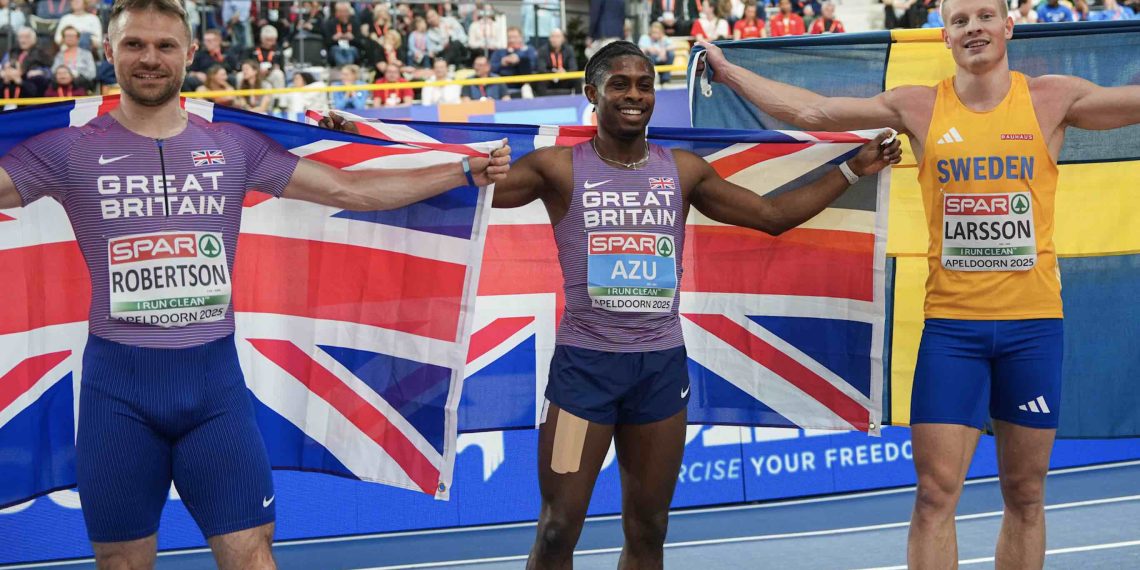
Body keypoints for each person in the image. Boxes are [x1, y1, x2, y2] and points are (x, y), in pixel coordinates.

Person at [331, 40, 899, 569]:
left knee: (649, 529)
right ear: (592, 94)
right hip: (584, 378)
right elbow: (462, 183)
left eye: (645, 85)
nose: (634, 96)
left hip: (658, 376)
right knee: (557, 530)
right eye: (620, 85)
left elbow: (771, 217)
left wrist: (854, 166)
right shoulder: (558, 168)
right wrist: (360, 142)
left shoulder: (682, 170)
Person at [0, 2, 509, 569]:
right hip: (116, 392)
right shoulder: (68, 151)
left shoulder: (234, 147)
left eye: (165, 46)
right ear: (109, 51)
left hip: (213, 390)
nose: (150, 58)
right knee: (121, 562)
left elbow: (351, 192)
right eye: (134, 45)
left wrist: (463, 171)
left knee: (251, 555)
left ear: (190, 54)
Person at [698, 0, 1140, 565]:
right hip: (953, 332)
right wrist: (729, 70)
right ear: (943, 37)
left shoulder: (1051, 98)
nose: (973, 28)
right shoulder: (919, 105)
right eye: (960, 21)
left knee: (1026, 495)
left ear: (1009, 25)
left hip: (1034, 327)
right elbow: (813, 111)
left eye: (985, 17)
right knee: (934, 495)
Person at [536, 27, 579, 95]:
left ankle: (578, 102)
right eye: (552, 36)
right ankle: (542, 103)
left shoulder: (569, 50)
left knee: (577, 79)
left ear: (563, 39)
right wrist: (554, 73)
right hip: (549, 79)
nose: (555, 39)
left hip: (564, 78)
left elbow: (574, 67)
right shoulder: (542, 50)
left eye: (558, 37)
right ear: (549, 39)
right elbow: (541, 69)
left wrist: (565, 72)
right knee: (540, 81)